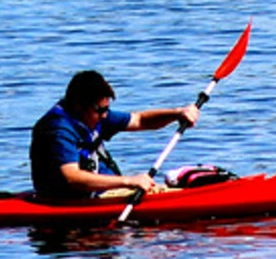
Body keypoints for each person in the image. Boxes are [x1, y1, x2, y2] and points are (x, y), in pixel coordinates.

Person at [29, 69, 200, 200]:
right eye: (100, 110)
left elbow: (140, 120)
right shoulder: (58, 130)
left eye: (106, 109)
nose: (105, 115)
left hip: (105, 193)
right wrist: (129, 181)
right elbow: (72, 177)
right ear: (79, 106)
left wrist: (177, 113)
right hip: (72, 200)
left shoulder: (94, 115)